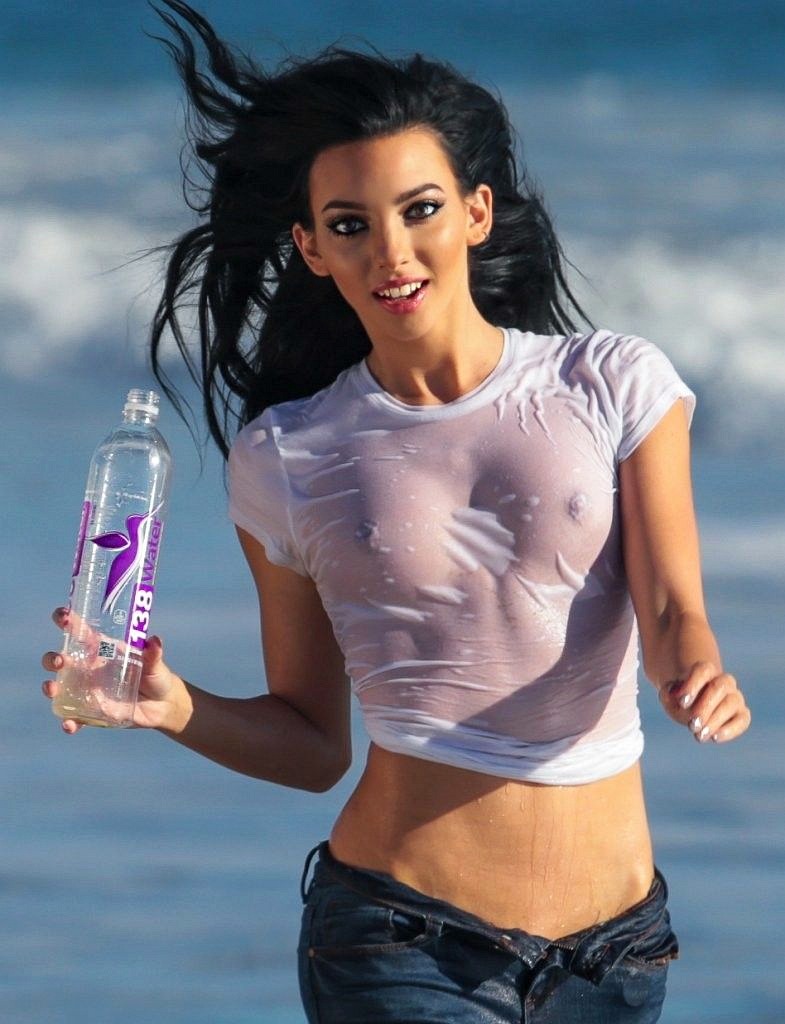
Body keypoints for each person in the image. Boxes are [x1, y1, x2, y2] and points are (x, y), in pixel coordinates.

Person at [41, 2, 751, 1020]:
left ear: (475, 212)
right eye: (349, 226)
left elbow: (673, 608)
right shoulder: (287, 456)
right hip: (400, 939)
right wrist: (169, 704)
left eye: (419, 210)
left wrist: (696, 673)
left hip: (617, 957)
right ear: (309, 248)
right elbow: (311, 742)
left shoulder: (611, 384)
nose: (391, 251)